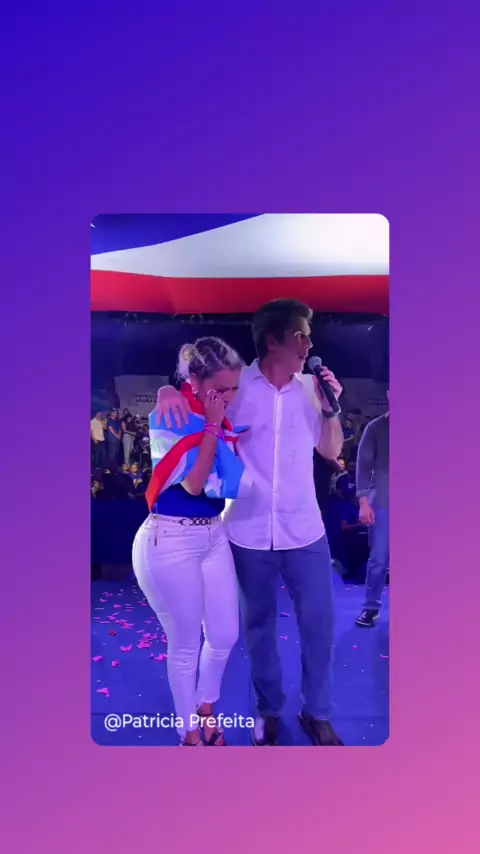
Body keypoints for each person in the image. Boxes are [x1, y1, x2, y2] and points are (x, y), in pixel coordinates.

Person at [156, 300, 344, 746]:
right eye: (300, 335)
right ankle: (268, 710)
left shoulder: (312, 389)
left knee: (319, 624)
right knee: (258, 628)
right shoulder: (238, 388)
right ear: (273, 341)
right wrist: (167, 389)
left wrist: (331, 409)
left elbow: (331, 451)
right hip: (246, 530)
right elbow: (196, 399)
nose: (309, 344)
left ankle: (317, 711)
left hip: (305, 530)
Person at [133, 337, 251, 746]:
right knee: (185, 645)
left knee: (224, 636)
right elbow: (195, 484)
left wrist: (216, 417)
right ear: (196, 382)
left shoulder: (222, 414)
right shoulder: (171, 414)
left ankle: (206, 708)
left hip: (213, 534)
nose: (229, 397)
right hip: (170, 538)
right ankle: (190, 734)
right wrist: (212, 424)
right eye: (221, 388)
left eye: (234, 388)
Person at [355, 394, 389, 627]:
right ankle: (371, 607)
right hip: (384, 503)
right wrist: (363, 501)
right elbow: (363, 466)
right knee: (378, 559)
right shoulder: (376, 428)